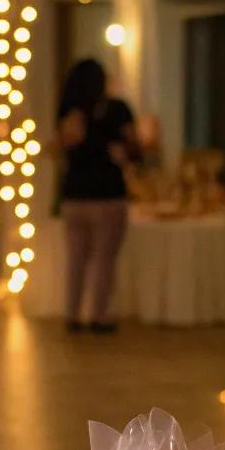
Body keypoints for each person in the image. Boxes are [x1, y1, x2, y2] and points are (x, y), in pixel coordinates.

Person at [56, 58, 138, 332]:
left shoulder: (68, 112)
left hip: (74, 195)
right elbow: (133, 148)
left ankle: (72, 314)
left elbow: (63, 147)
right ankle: (99, 316)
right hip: (107, 194)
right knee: (104, 259)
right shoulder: (117, 109)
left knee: (76, 259)